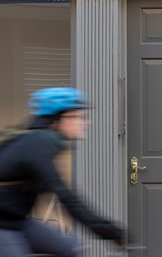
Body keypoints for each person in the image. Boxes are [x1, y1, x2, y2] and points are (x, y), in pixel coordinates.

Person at [0, 87, 125, 256]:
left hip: (16, 221)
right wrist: (109, 231)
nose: (86, 122)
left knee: (71, 247)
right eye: (78, 117)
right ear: (58, 120)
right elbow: (66, 196)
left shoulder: (42, 142)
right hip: (4, 226)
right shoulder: (35, 146)